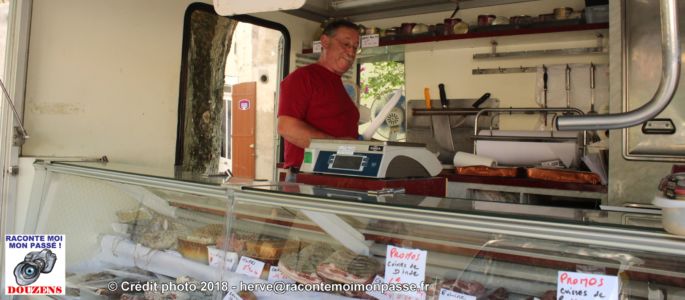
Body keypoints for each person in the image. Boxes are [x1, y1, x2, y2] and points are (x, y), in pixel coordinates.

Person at [277, 19, 361, 181]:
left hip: (337, 176)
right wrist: (338, 145)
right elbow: (286, 127)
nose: (351, 52)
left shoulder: (337, 84)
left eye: (355, 47)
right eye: (346, 44)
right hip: (309, 177)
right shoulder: (303, 78)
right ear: (325, 41)